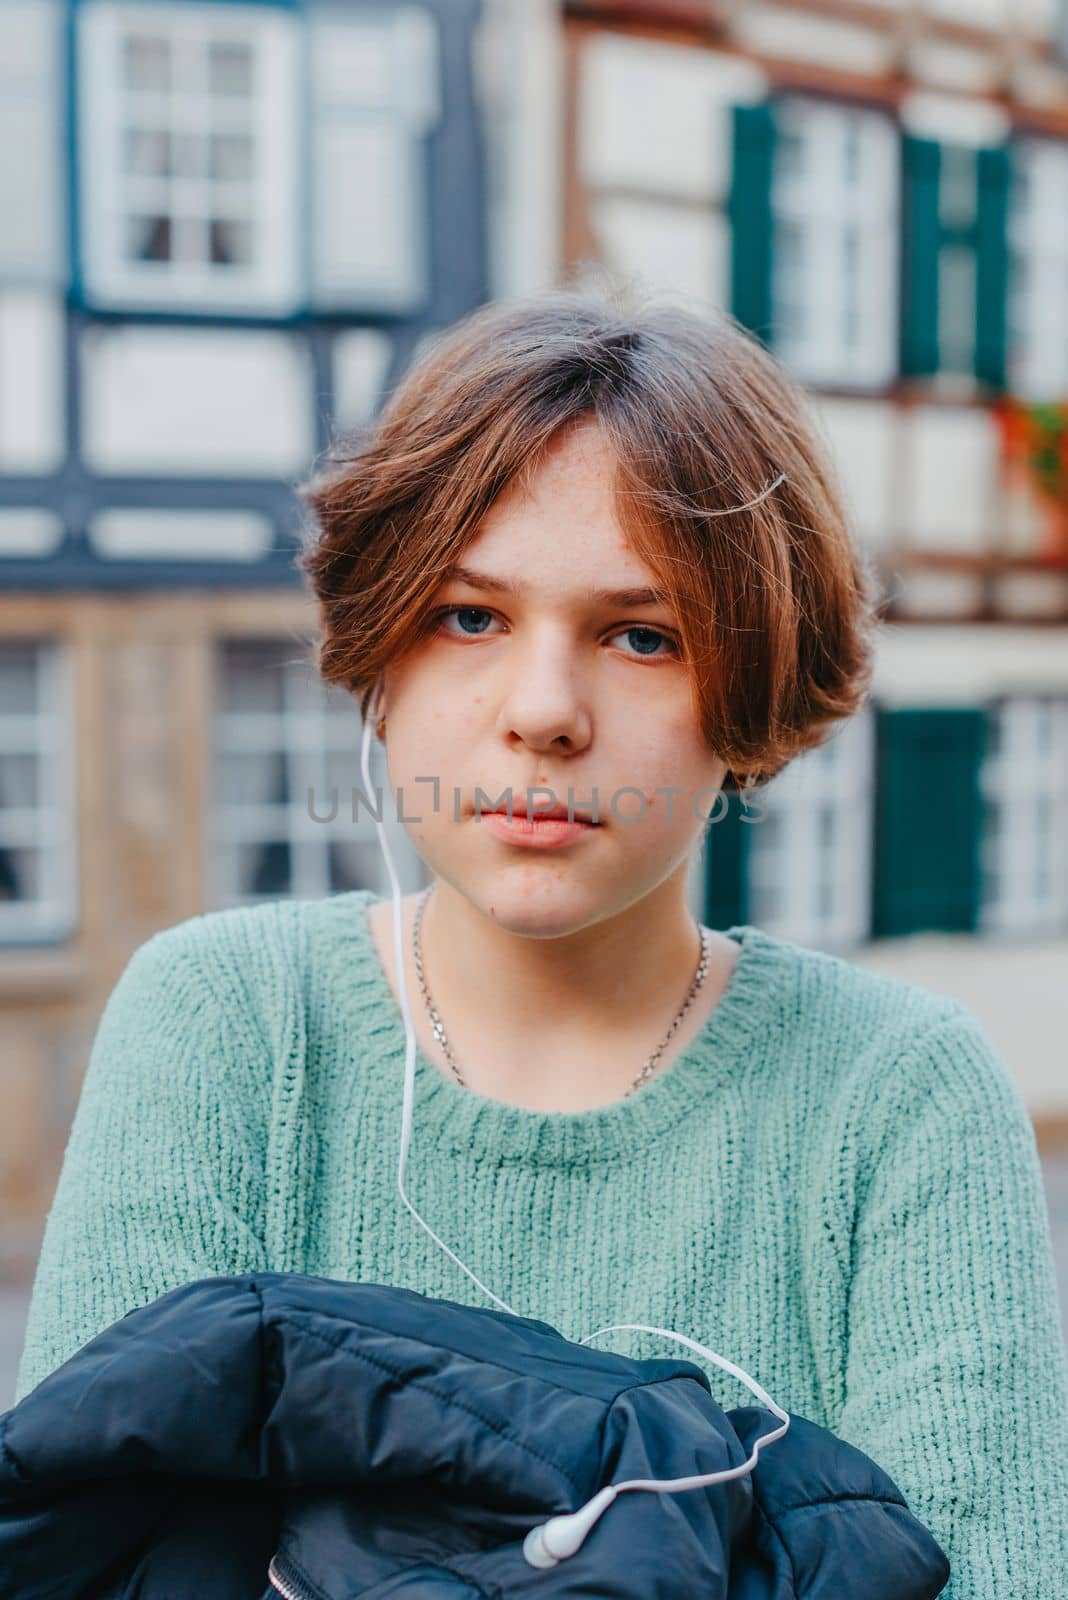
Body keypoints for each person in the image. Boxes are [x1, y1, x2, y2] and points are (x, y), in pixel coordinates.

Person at [14, 283, 1068, 1596]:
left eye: (643, 635)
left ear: (743, 689)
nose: (544, 713)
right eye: (471, 616)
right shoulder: (229, 1025)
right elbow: (77, 1545)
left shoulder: (897, 1096)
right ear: (380, 655)